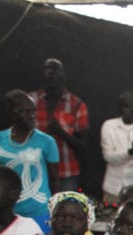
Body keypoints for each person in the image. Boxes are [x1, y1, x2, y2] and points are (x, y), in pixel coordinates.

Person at [0, 91, 59, 231]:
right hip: (7, 212)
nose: (32, 116)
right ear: (12, 113)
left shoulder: (47, 141)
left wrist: (54, 210)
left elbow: (55, 179)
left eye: (33, 111)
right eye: (25, 111)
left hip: (39, 210)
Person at [30, 59, 88, 193]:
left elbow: (83, 144)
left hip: (66, 171)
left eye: (55, 69)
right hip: (36, 169)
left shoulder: (76, 104)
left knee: (63, 210)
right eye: (47, 69)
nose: (50, 73)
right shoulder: (30, 100)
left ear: (64, 75)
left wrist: (61, 133)